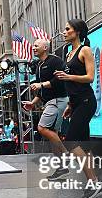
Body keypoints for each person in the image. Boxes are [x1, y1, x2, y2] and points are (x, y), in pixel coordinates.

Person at [54, 19, 102, 198]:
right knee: (85, 146)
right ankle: (94, 183)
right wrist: (70, 105)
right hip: (76, 103)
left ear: (77, 32)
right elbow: (72, 85)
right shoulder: (68, 53)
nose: (64, 32)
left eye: (67, 29)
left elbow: (90, 77)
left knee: (71, 142)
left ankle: (94, 183)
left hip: (86, 102)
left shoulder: (85, 50)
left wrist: (68, 76)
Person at [22, 38, 70, 178]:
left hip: (58, 100)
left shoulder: (54, 61)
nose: (33, 47)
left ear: (45, 47)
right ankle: (62, 169)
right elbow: (43, 91)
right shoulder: (39, 66)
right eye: (33, 45)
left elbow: (60, 79)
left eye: (36, 45)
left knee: (42, 128)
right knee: (52, 136)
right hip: (50, 101)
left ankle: (66, 154)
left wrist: (41, 85)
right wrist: (33, 102)